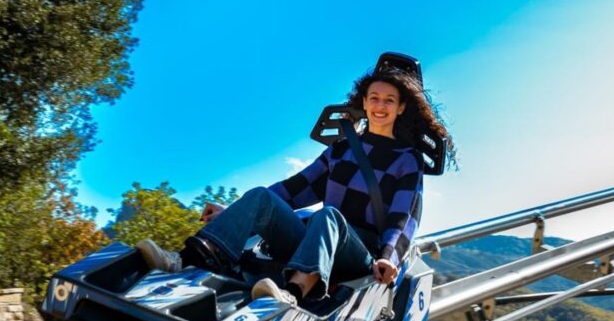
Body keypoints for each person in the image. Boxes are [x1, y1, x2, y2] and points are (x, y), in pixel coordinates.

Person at [137, 66, 455, 306]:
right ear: (365, 102)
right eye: (374, 98)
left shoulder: (407, 159)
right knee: (262, 196)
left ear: (400, 108)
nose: (380, 106)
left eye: (389, 100)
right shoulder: (343, 149)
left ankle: (292, 293)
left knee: (328, 216)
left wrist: (389, 257)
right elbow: (295, 188)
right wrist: (233, 213)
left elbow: (404, 218)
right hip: (316, 236)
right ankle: (184, 261)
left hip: (359, 253)